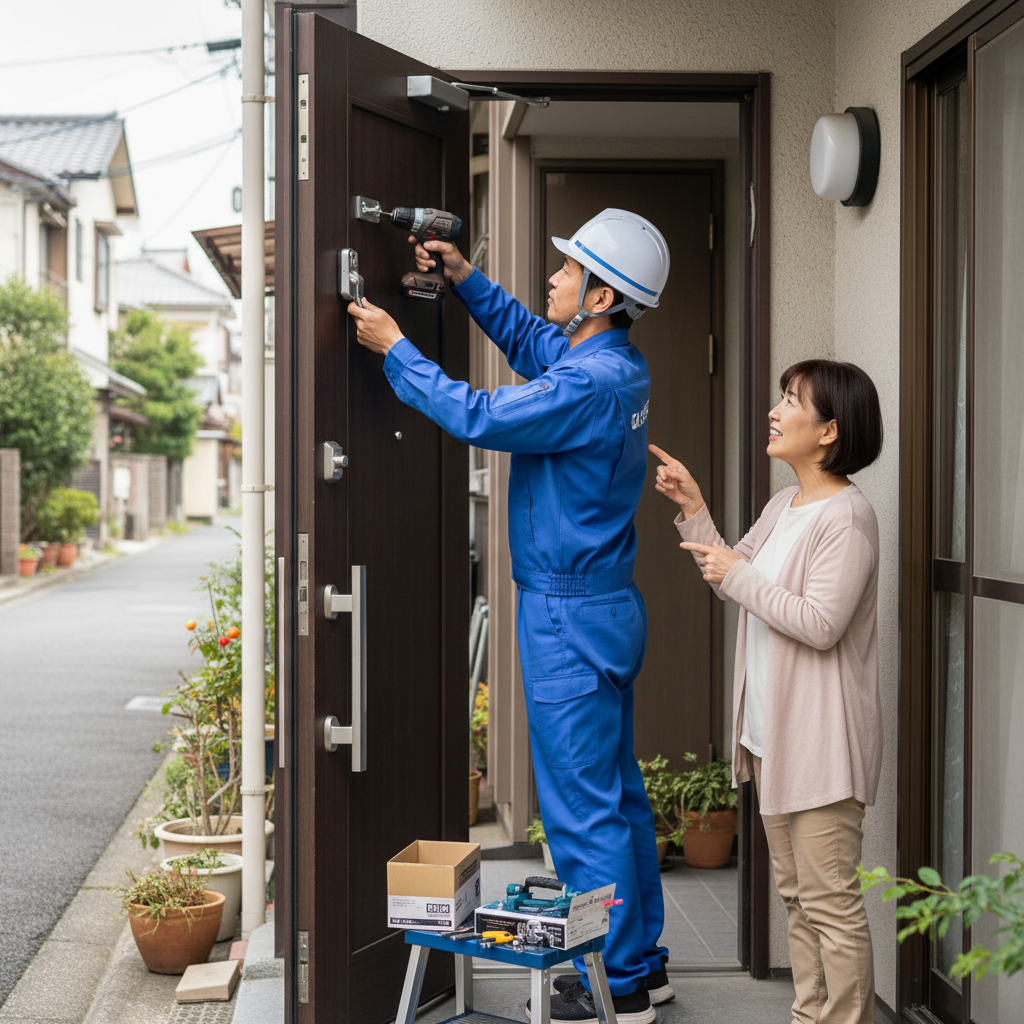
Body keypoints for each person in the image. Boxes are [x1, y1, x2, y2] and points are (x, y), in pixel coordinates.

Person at [348, 209, 671, 1024]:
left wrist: (396, 348)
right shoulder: (614, 363)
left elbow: (482, 416)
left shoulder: (588, 384)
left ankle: (619, 985)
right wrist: (463, 277)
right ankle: (642, 963)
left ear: (600, 297)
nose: (554, 279)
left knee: (581, 811)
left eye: (568, 271)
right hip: (606, 605)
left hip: (569, 615)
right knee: (617, 795)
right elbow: (533, 340)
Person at [651, 359, 883, 1024]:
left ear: (830, 431)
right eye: (780, 398)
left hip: (821, 748)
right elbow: (734, 575)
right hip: (773, 738)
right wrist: (694, 509)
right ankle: (810, 1015)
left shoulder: (848, 518)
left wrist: (737, 571)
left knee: (831, 905)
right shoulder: (785, 505)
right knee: (797, 900)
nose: (775, 413)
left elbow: (820, 623)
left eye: (791, 402)